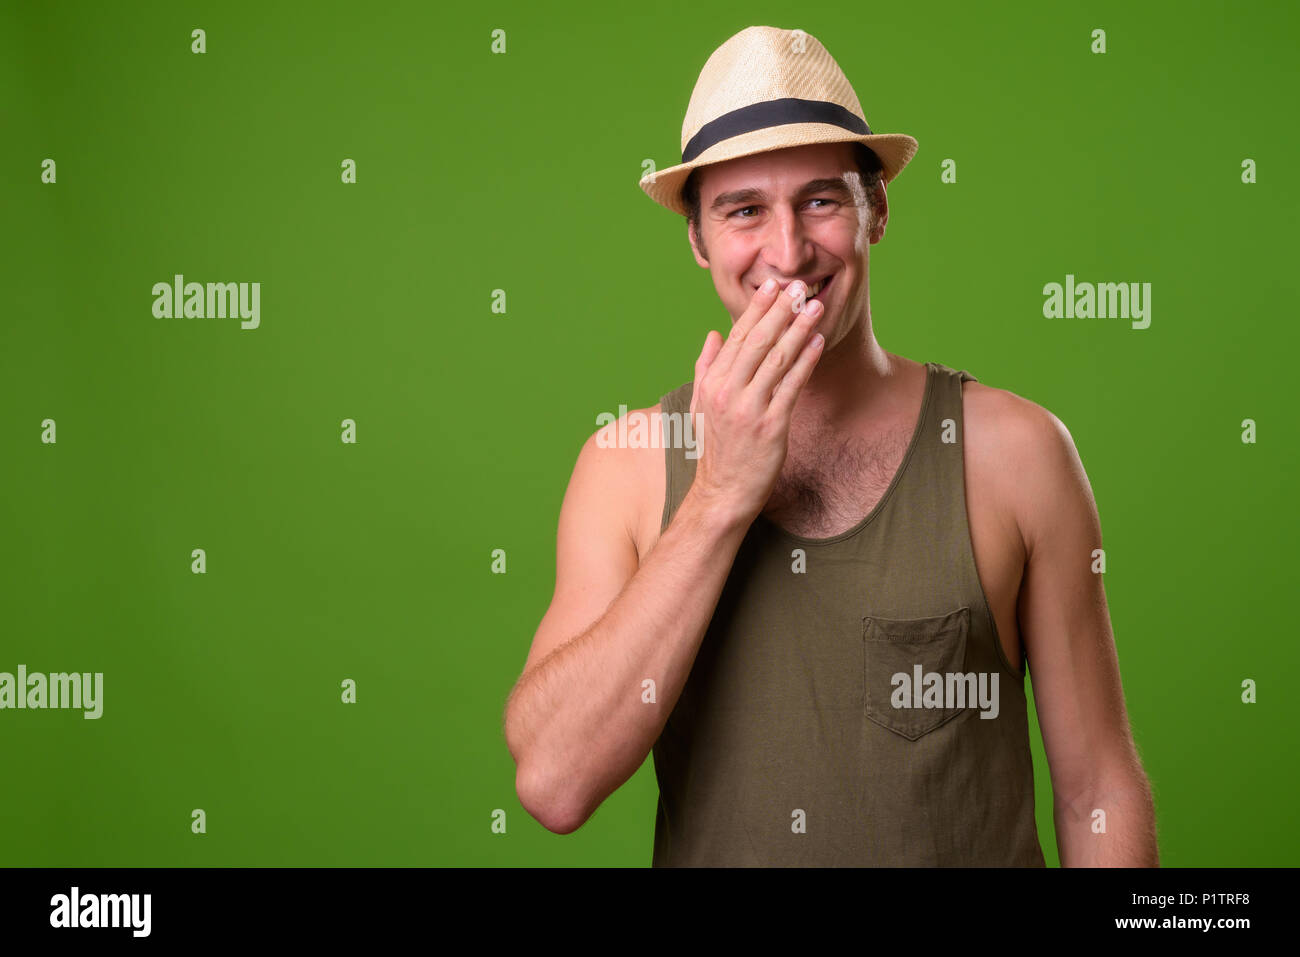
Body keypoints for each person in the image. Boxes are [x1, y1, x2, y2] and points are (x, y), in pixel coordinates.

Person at [503, 25, 1157, 866]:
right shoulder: (625, 465)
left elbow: (1096, 785)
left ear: (874, 209)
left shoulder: (1017, 452)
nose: (787, 251)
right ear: (699, 240)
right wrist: (717, 499)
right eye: (744, 211)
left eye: (820, 200)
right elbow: (555, 783)